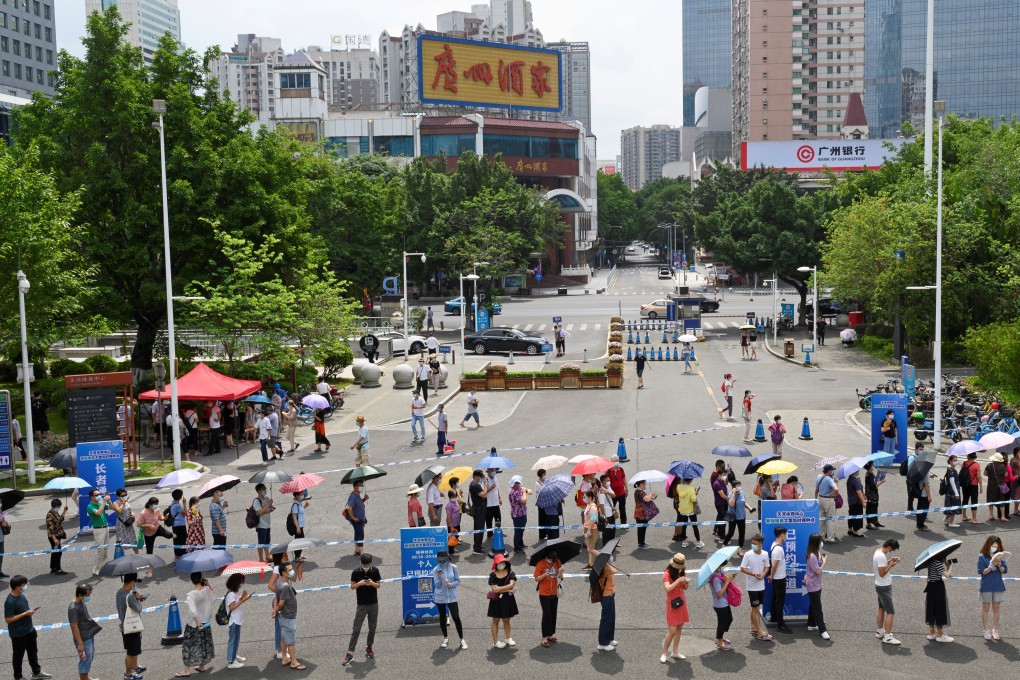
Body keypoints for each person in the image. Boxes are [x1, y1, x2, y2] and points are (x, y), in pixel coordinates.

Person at [5, 575, 51, 680]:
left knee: (33, 653)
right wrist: (25, 614)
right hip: (18, 634)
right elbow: (8, 619)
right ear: (18, 587)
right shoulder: (10, 602)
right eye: (24, 585)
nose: (25, 586)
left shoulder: (21, 595)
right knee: (18, 656)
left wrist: (29, 612)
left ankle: (36, 672)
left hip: (29, 630)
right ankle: (18, 676)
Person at [342, 553, 381, 666]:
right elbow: (352, 587)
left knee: (372, 627)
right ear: (360, 563)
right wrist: (359, 584)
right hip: (361, 605)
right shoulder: (355, 572)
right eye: (364, 565)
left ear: (371, 563)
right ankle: (350, 653)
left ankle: (369, 647)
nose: (365, 567)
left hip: (374, 604)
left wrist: (372, 583)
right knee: (356, 629)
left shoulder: (375, 570)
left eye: (367, 565)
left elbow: (378, 585)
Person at [178, 572, 215, 676]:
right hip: (205, 621)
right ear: (201, 579)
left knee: (188, 646)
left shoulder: (191, 594)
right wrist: (208, 584)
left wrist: (197, 622)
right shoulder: (207, 589)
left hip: (194, 624)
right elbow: (213, 598)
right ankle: (201, 666)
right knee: (204, 643)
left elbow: (193, 610)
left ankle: (186, 670)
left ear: (192, 580)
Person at [740, 534, 773, 641]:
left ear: (760, 544)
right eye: (752, 543)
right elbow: (742, 568)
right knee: (756, 608)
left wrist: (763, 574)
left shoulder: (765, 554)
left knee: (755, 607)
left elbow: (767, 566)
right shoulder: (748, 555)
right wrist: (753, 574)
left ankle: (753, 627)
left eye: (755, 543)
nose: (752, 545)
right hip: (752, 586)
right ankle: (760, 631)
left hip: (761, 585)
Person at [273, 561, 305, 670]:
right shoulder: (285, 586)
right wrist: (276, 610)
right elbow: (281, 603)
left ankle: (284, 658)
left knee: (283, 638)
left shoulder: (280, 581)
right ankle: (294, 662)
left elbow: (276, 597)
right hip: (288, 616)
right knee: (290, 640)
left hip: (283, 616)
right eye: (290, 570)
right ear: (284, 573)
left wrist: (298, 567)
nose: (292, 571)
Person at [432, 550, 467, 649]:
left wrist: (450, 585)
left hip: (452, 597)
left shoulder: (453, 567)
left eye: (444, 560)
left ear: (447, 558)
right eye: (440, 560)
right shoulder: (436, 569)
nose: (442, 562)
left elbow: (458, 580)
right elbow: (437, 586)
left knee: (456, 617)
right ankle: (445, 638)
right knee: (442, 617)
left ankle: (461, 639)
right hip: (440, 597)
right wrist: (439, 578)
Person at [116, 573, 147, 680]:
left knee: (134, 649)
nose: (135, 585)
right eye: (135, 583)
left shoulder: (119, 592)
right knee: (131, 652)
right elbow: (138, 609)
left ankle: (135, 666)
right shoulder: (129, 597)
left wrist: (135, 599)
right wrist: (137, 599)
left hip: (125, 625)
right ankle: (128, 674)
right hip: (131, 627)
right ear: (132, 582)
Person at [661, 553, 690, 662]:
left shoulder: (682, 572)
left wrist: (686, 583)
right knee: (672, 630)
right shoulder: (666, 574)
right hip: (672, 604)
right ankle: (664, 653)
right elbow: (667, 589)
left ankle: (675, 651)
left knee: (679, 627)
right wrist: (678, 580)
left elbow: (685, 588)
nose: (680, 569)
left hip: (681, 602)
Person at [978, 535, 1008, 640]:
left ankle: (995, 629)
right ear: (988, 545)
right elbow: (982, 572)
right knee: (986, 608)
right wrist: (991, 566)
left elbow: (1004, 571)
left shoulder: (1000, 556)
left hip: (998, 585)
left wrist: (1000, 566)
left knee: (996, 608)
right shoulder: (982, 556)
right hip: (986, 585)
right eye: (993, 546)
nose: (994, 548)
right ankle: (986, 629)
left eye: (996, 546)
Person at [69, 582, 101, 680]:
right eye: (87, 595)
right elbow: (74, 626)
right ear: (80, 595)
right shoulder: (73, 608)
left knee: (89, 659)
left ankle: (86, 678)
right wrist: (80, 644)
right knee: (85, 661)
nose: (88, 597)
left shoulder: (80, 602)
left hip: (88, 635)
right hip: (83, 639)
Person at [874, 538, 902, 644]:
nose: (890, 551)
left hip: (879, 585)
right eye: (892, 550)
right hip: (884, 586)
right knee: (890, 612)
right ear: (889, 547)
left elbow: (881, 566)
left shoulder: (878, 551)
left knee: (881, 608)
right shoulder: (881, 556)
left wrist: (890, 560)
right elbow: (882, 573)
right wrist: (891, 565)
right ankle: (887, 637)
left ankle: (880, 631)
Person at [487, 554, 519, 649]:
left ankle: (508, 638)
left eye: (502, 562)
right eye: (499, 563)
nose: (501, 564)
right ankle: (495, 641)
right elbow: (494, 589)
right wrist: (508, 590)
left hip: (507, 600)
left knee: (506, 620)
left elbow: (512, 585)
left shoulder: (510, 573)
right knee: (495, 620)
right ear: (496, 564)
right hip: (496, 600)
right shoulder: (492, 575)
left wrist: (500, 588)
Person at [534, 549, 562, 647]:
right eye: (551, 558)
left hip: (554, 592)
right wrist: (544, 575)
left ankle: (550, 634)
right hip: (544, 593)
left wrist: (560, 572)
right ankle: (544, 637)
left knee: (553, 613)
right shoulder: (541, 563)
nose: (552, 560)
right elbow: (536, 578)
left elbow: (560, 576)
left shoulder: (557, 561)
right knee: (547, 614)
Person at [594, 543, 620, 651]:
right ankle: (603, 643)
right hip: (606, 595)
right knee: (606, 619)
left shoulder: (606, 564)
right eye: (611, 555)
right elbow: (614, 571)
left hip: (611, 594)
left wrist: (608, 561)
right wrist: (607, 563)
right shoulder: (604, 567)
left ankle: (609, 638)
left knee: (611, 618)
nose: (612, 556)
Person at [804, 533, 830, 639]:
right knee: (818, 608)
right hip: (813, 585)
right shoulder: (812, 556)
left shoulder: (816, 552)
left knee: (813, 604)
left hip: (817, 583)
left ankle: (811, 623)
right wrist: (824, 562)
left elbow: (809, 569)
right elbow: (817, 571)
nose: (821, 543)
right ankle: (822, 630)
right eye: (820, 541)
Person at [925, 553, 955, 642]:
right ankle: (940, 635)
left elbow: (949, 574)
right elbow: (947, 575)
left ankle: (931, 633)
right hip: (938, 588)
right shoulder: (937, 563)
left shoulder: (931, 562)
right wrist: (951, 565)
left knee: (932, 609)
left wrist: (946, 564)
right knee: (939, 609)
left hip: (931, 587)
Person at [222, 573, 250, 669]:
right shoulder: (231, 594)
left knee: (236, 640)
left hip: (236, 620)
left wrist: (243, 598)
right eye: (241, 582)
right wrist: (242, 600)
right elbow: (232, 607)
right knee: (233, 641)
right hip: (233, 621)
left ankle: (234, 656)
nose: (242, 584)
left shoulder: (233, 593)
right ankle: (231, 661)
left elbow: (236, 603)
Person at [768, 526, 792, 633]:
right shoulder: (778, 549)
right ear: (782, 535)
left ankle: (774, 617)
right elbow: (774, 566)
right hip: (779, 578)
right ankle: (780, 624)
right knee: (780, 601)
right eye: (785, 534)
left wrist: (772, 576)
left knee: (775, 598)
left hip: (777, 578)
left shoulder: (774, 544)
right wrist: (771, 576)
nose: (786, 536)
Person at [709, 560, 736, 651]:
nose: (720, 567)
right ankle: (719, 642)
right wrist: (727, 581)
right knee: (722, 623)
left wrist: (729, 578)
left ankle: (720, 636)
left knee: (729, 619)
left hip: (725, 602)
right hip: (720, 605)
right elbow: (719, 594)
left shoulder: (720, 572)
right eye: (720, 565)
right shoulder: (715, 578)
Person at [723, 479, 753, 552]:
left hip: (741, 516)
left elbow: (743, 502)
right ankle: (724, 544)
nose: (740, 487)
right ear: (734, 487)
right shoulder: (730, 494)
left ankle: (740, 549)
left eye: (740, 485)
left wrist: (749, 508)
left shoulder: (742, 494)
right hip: (732, 516)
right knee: (731, 533)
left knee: (742, 533)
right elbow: (731, 504)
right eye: (738, 485)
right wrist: (733, 494)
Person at [86, 488, 110, 576]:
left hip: (106, 527)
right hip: (98, 530)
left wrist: (109, 501)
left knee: (105, 549)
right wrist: (104, 502)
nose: (99, 496)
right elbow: (99, 513)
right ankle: (96, 569)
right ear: (91, 497)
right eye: (96, 495)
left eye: (99, 494)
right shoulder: (90, 506)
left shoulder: (100, 502)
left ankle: (104, 566)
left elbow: (111, 507)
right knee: (100, 550)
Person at [673, 478, 702, 548]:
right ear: (690, 481)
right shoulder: (691, 488)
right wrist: (695, 494)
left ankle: (684, 542)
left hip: (682, 510)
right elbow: (693, 499)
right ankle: (698, 542)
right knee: (694, 526)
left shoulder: (678, 487)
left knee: (684, 526)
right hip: (690, 510)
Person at [817, 465, 840, 543]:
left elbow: (816, 489)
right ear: (829, 471)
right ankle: (830, 537)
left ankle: (821, 536)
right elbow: (836, 489)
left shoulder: (819, 477)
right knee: (830, 518)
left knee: (821, 518)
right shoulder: (829, 479)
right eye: (832, 470)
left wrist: (816, 498)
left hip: (820, 498)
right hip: (828, 500)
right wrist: (834, 493)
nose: (833, 472)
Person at [112, 488, 139, 555]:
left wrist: (132, 513)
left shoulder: (127, 501)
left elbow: (129, 510)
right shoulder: (115, 503)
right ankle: (121, 556)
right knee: (121, 542)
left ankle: (137, 555)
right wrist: (123, 503)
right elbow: (119, 511)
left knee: (133, 540)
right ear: (118, 496)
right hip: (121, 525)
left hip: (129, 524)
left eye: (125, 495)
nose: (124, 497)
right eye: (122, 496)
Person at [985, 452, 1011, 522]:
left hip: (991, 485)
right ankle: (1002, 516)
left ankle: (991, 515)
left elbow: (985, 473)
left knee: (990, 499)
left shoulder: (989, 465)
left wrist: (991, 475)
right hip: (1000, 485)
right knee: (1001, 500)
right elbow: (1006, 475)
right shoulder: (1002, 466)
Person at [45, 499, 68, 575]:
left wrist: (64, 511)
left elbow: (60, 520)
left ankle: (53, 567)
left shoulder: (55, 512)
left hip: (58, 535)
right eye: (58, 507)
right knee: (58, 552)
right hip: (54, 537)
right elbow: (50, 529)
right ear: (53, 506)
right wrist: (55, 539)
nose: (59, 508)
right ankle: (58, 569)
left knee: (55, 552)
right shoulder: (50, 515)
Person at [252, 484, 274, 563]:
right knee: (261, 543)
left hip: (267, 524)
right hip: (261, 525)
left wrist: (270, 507)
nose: (265, 490)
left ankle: (267, 556)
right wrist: (268, 506)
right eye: (263, 489)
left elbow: (271, 508)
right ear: (258, 491)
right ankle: (261, 559)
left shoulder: (267, 498)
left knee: (267, 541)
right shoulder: (256, 501)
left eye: (265, 489)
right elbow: (260, 512)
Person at [633, 479, 658, 549]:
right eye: (644, 484)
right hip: (640, 513)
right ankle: (640, 544)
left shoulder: (640, 492)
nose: (645, 485)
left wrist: (652, 497)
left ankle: (642, 542)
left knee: (643, 528)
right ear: (641, 484)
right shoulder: (639, 492)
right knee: (641, 529)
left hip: (642, 513)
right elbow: (647, 499)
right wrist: (651, 493)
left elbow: (647, 499)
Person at [345, 482, 368, 556]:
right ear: (355, 487)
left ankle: (357, 549)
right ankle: (361, 551)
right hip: (357, 519)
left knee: (357, 533)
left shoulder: (357, 494)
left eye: (362, 485)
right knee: (360, 534)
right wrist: (353, 518)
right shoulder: (353, 496)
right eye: (360, 486)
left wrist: (364, 499)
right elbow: (349, 508)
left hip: (360, 518)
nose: (362, 487)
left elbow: (358, 503)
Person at [960, 451, 983, 523]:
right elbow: (979, 476)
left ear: (968, 456)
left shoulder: (964, 463)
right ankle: (974, 518)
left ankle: (964, 516)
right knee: (974, 501)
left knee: (965, 499)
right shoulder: (976, 465)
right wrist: (981, 486)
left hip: (965, 484)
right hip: (973, 485)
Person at [508, 476, 529, 554]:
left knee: (521, 530)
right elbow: (524, 501)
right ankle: (517, 547)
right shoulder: (514, 492)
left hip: (522, 513)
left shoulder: (518, 489)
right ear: (513, 483)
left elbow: (527, 491)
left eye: (518, 483)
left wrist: (525, 490)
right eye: (516, 483)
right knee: (518, 531)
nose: (518, 484)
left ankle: (520, 544)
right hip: (517, 515)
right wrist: (524, 493)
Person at [483, 467, 502, 554]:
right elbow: (483, 492)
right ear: (488, 471)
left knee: (498, 518)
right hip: (488, 503)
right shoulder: (485, 479)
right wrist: (490, 487)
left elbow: (497, 488)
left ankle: (498, 532)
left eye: (494, 470)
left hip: (495, 502)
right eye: (492, 470)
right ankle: (490, 534)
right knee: (489, 520)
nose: (494, 471)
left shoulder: (495, 478)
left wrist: (499, 497)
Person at [711, 460, 730, 544]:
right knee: (723, 520)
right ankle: (722, 537)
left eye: (725, 475)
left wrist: (728, 474)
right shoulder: (717, 484)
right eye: (723, 475)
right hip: (720, 504)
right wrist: (731, 499)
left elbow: (726, 483)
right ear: (719, 475)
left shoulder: (721, 481)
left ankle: (718, 533)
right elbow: (722, 495)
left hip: (723, 503)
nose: (725, 476)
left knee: (720, 519)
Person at [469, 470, 487, 554]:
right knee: (478, 528)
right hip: (478, 508)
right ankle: (476, 548)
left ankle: (478, 545)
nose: (481, 478)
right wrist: (485, 484)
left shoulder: (476, 484)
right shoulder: (474, 485)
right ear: (475, 476)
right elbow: (483, 495)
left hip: (481, 507)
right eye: (480, 476)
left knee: (481, 527)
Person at [864, 462, 885, 531]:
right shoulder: (868, 475)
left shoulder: (871, 473)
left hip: (873, 494)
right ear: (869, 467)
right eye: (872, 465)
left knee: (875, 507)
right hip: (870, 495)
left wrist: (878, 474)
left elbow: (875, 480)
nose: (873, 466)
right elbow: (874, 486)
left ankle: (876, 521)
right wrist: (881, 482)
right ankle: (868, 524)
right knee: (870, 508)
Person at [846, 469, 866, 537]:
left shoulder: (849, 479)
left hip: (850, 500)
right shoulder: (855, 480)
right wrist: (863, 502)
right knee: (857, 515)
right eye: (857, 470)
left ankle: (850, 529)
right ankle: (856, 531)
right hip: (856, 501)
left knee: (851, 514)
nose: (858, 471)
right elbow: (859, 491)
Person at [582, 490, 600, 570]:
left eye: (585, 497)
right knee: (589, 547)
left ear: (590, 497)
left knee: (590, 549)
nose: (583, 498)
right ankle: (590, 564)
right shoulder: (588, 505)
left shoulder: (592, 507)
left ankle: (604, 558)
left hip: (592, 529)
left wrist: (589, 530)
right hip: (587, 528)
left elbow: (593, 519)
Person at [943, 455, 962, 527]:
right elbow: (952, 482)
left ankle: (946, 519)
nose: (956, 461)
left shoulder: (950, 468)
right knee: (953, 505)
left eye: (956, 460)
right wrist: (956, 493)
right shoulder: (951, 470)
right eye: (954, 460)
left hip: (951, 490)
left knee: (950, 505)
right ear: (950, 461)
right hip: (953, 491)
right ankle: (951, 522)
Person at [290, 492, 309, 561]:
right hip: (298, 526)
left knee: (301, 540)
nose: (302, 495)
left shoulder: (299, 503)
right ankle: (297, 556)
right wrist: (297, 527)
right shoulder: (295, 505)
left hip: (301, 526)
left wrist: (305, 506)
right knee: (299, 541)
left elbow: (300, 512)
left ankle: (299, 555)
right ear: (296, 496)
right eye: (301, 494)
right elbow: (294, 517)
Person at [608, 456, 627, 523]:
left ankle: (624, 523)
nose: (617, 462)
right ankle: (612, 524)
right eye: (615, 461)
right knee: (612, 509)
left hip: (621, 493)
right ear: (611, 462)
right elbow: (606, 482)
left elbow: (624, 479)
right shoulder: (609, 471)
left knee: (622, 509)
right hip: (612, 495)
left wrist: (626, 489)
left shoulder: (621, 469)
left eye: (618, 461)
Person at [916, 467, 934, 532]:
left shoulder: (921, 469)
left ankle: (919, 524)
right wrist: (929, 496)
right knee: (924, 511)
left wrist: (930, 476)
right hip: (924, 494)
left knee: (919, 509)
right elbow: (926, 485)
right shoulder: (926, 472)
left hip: (920, 492)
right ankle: (921, 526)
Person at [445, 490, 462, 555]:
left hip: (457, 522)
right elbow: (448, 516)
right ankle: (451, 552)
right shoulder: (449, 505)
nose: (455, 497)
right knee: (451, 537)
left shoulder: (456, 502)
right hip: (452, 524)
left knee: (456, 536)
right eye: (454, 496)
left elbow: (460, 501)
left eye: (456, 496)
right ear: (450, 497)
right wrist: (451, 526)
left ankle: (453, 548)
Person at [535, 469, 549, 540]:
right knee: (542, 519)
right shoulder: (537, 483)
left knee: (547, 518)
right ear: (541, 475)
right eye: (544, 474)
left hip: (547, 502)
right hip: (541, 503)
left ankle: (547, 533)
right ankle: (542, 535)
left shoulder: (546, 481)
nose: (545, 475)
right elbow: (540, 492)